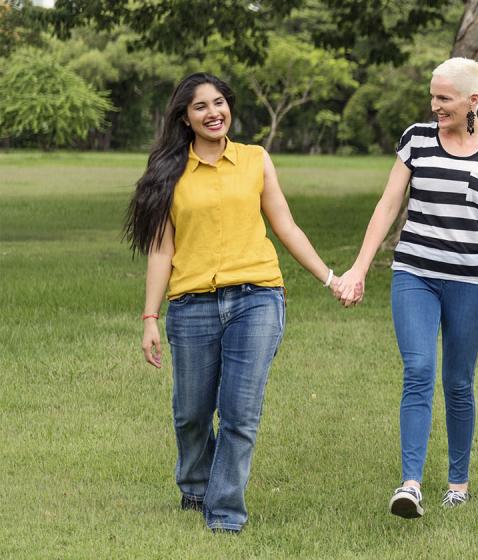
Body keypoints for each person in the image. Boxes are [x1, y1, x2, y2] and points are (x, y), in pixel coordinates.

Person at [126, 72, 343, 533]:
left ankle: (224, 514)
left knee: (240, 411)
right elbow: (161, 249)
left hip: (257, 297)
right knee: (191, 413)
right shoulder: (170, 170)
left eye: (219, 102)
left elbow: (286, 226)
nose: (213, 112)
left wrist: (330, 278)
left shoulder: (254, 160)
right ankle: (195, 483)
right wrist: (150, 317)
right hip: (192, 304)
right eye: (201, 106)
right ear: (185, 117)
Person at [336, 57, 478, 519]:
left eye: (443, 98)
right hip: (414, 274)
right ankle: (410, 484)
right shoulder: (417, 139)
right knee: (419, 371)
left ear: (473, 99)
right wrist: (359, 269)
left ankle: (458, 483)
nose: (435, 106)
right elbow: (389, 205)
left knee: (459, 382)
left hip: (471, 282)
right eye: (433, 96)